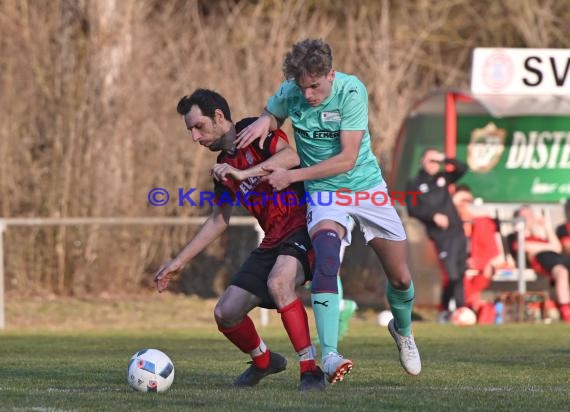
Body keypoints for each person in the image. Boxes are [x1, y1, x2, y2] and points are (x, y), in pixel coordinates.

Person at [235, 38, 421, 382]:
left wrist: (291, 175)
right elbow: (273, 113)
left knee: (400, 277)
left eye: (315, 86)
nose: (308, 95)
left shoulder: (352, 92)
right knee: (325, 256)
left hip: (366, 188)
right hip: (324, 195)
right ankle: (330, 355)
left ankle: (403, 330)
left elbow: (346, 159)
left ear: (331, 74)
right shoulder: (291, 91)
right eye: (302, 87)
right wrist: (265, 120)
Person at [153, 89, 325, 391]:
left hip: (303, 226)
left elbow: (292, 156)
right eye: (190, 130)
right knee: (225, 313)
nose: (195, 137)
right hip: (273, 239)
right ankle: (264, 361)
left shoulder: (252, 131)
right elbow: (220, 219)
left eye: (199, 127)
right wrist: (177, 262)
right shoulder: (222, 165)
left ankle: (310, 370)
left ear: (219, 116)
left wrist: (243, 173)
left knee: (279, 283)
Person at [406, 149, 469, 323]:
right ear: (422, 162)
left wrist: (443, 157)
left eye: (436, 161)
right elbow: (412, 209)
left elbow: (464, 167)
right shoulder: (414, 183)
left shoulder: (442, 178)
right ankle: (460, 310)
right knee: (451, 273)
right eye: (430, 161)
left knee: (460, 273)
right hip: (440, 235)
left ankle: (448, 311)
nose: (433, 164)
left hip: (457, 231)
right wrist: (433, 216)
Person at [507, 205, 570, 322]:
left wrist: (547, 227)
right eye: (525, 216)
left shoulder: (539, 237)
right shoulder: (515, 236)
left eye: (531, 215)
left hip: (556, 257)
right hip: (541, 258)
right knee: (561, 272)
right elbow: (523, 247)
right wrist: (548, 247)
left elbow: (557, 247)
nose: (529, 218)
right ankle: (566, 311)